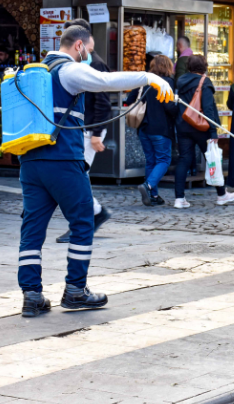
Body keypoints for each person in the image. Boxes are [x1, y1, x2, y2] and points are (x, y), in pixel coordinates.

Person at [18, 25, 173, 317]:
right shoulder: (68, 71)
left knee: (32, 231)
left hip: (30, 162)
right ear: (78, 46)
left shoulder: (32, 72)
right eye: (88, 50)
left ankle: (31, 296)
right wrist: (148, 77)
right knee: (83, 223)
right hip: (62, 160)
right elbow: (104, 81)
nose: (88, 55)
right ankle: (76, 290)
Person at [55, 18, 112, 244]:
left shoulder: (94, 63)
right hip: (81, 129)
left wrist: (97, 133)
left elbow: (103, 102)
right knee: (76, 177)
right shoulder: (77, 63)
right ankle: (94, 214)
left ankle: (86, 220)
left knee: (76, 177)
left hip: (89, 130)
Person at [174, 55, 234, 208]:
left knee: (184, 160)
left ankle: (179, 198)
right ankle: (221, 194)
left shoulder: (180, 81)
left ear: (189, 66)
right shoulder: (204, 82)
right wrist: (213, 131)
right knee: (212, 159)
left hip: (183, 125)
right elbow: (208, 108)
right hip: (201, 127)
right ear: (204, 66)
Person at [126, 55, 177, 206]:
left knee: (151, 161)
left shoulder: (144, 81)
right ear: (167, 67)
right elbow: (169, 107)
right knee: (164, 160)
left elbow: (129, 100)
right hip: (160, 128)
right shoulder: (167, 82)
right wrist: (179, 107)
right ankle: (147, 186)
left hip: (143, 128)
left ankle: (153, 195)